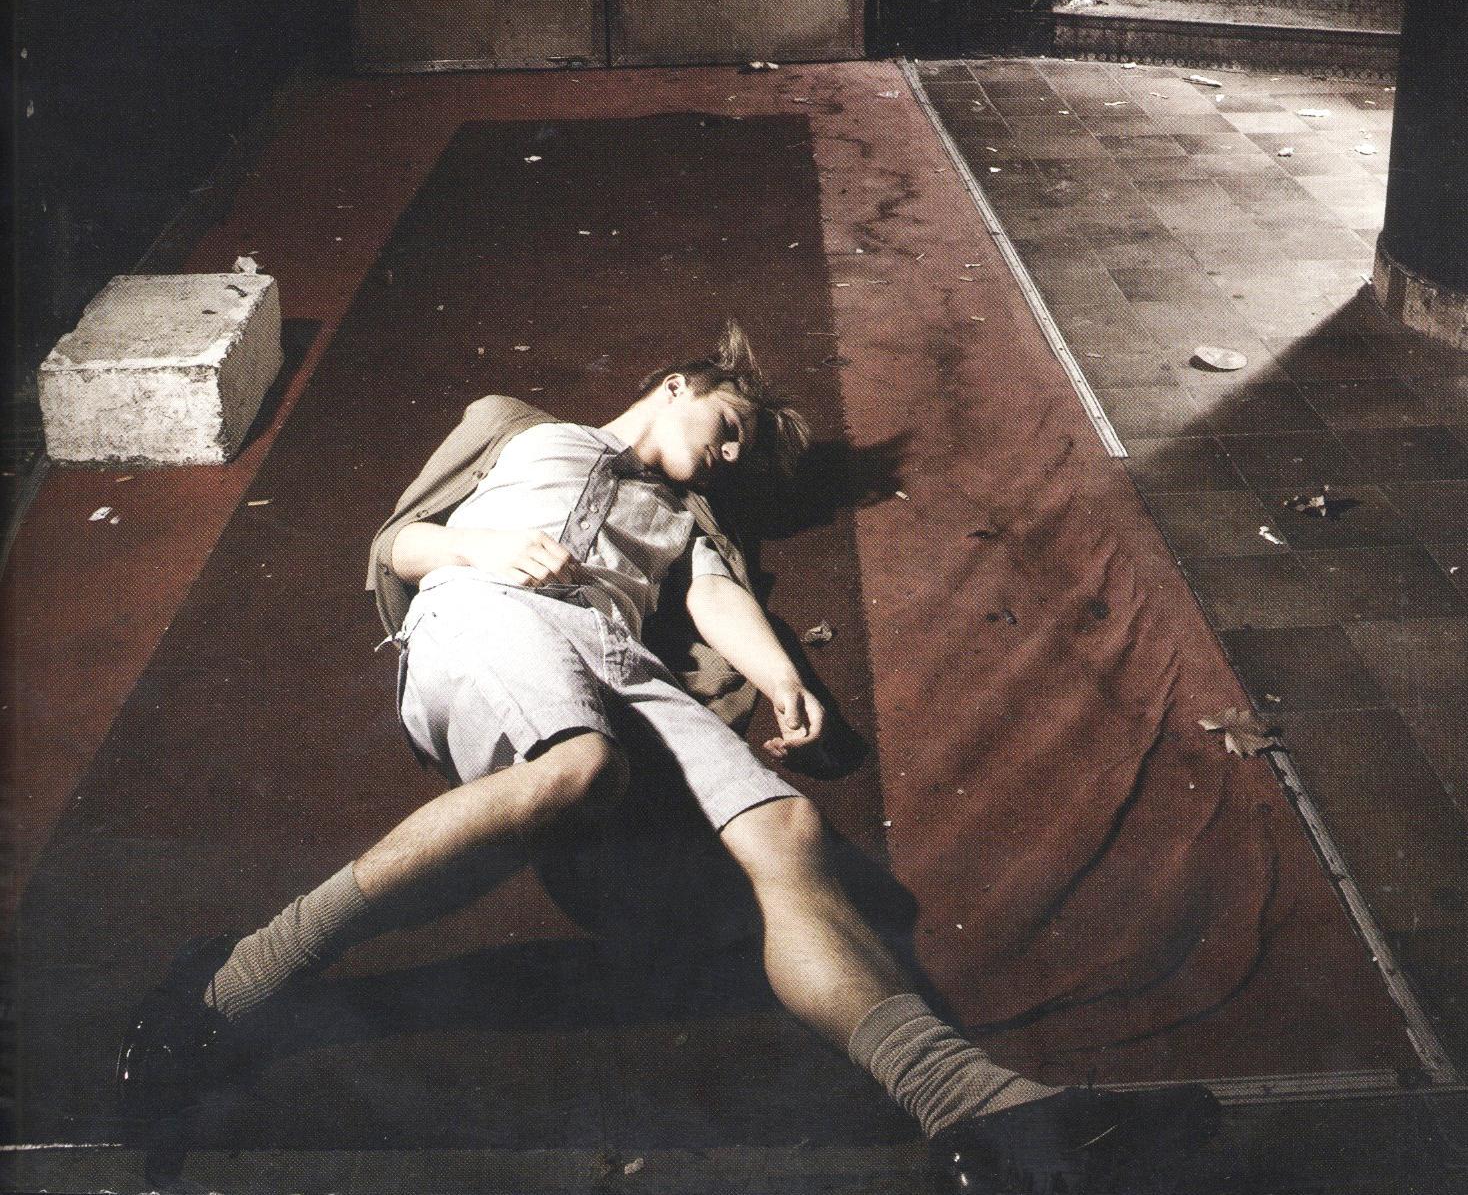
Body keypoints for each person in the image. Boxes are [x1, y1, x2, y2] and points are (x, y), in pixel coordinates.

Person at [118, 325, 1219, 1194]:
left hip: (614, 649)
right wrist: (478, 544)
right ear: (680, 382)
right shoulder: (517, 428)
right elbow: (396, 542)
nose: (731, 456)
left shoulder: (690, 517)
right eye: (731, 427)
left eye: (742, 455)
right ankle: (224, 986)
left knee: (788, 829)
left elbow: (715, 597)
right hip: (485, 604)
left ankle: (976, 1109)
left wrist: (783, 679)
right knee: (578, 770)